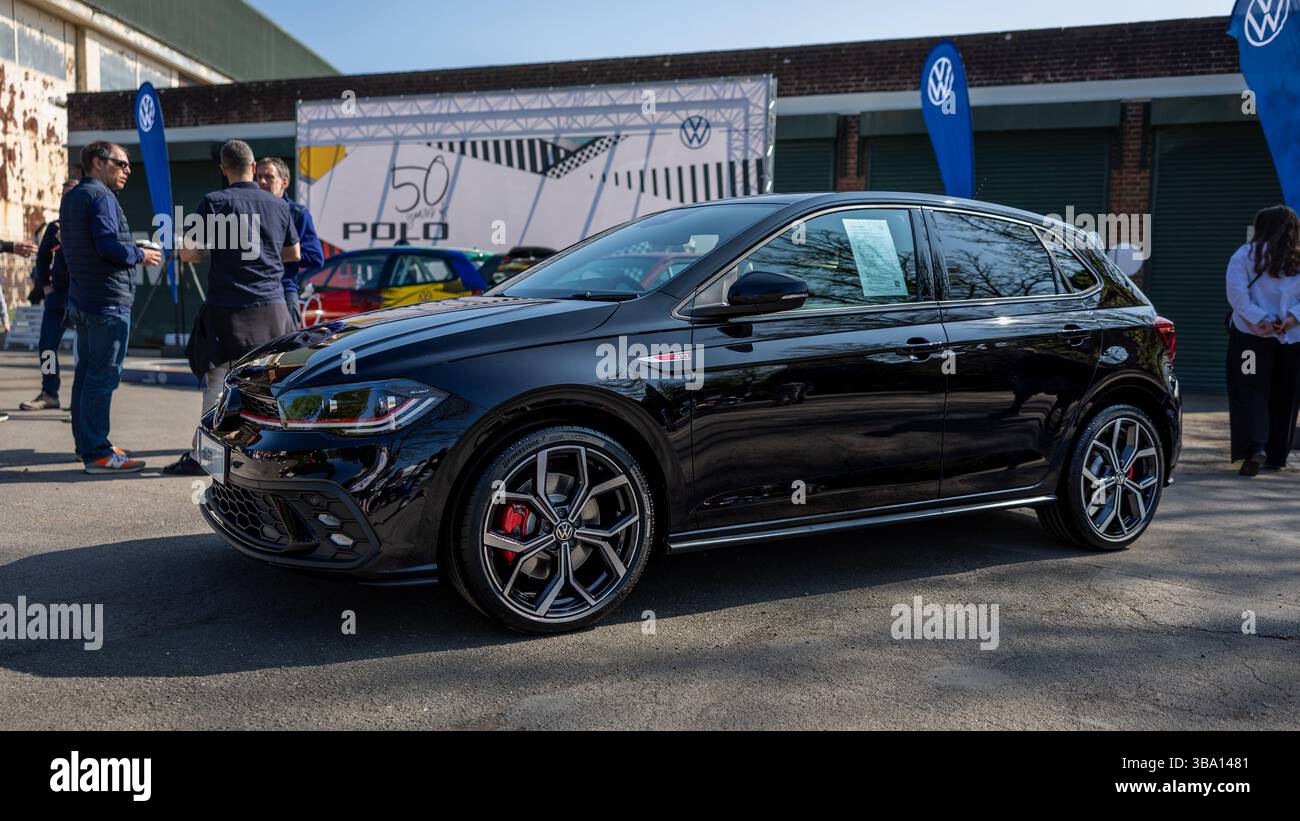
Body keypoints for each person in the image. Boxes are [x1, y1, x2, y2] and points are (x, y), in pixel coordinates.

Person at [164, 140, 300, 474]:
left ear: (223, 169)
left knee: (220, 382)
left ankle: (208, 459)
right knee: (270, 384)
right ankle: (278, 458)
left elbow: (192, 252)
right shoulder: (279, 205)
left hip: (229, 310)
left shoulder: (214, 201)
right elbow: (293, 253)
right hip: (273, 309)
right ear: (253, 168)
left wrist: (206, 252)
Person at [60, 141, 162, 474]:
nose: (128, 171)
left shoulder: (74, 196)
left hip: (85, 300)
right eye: (121, 164)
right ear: (97, 162)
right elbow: (107, 246)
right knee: (101, 379)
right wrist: (139, 254)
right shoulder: (100, 197)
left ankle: (87, 445)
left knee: (86, 376)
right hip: (107, 302)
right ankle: (99, 453)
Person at [1225, 204, 1300, 476]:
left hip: (1249, 340)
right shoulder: (1298, 258)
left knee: (1250, 390)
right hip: (1290, 340)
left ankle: (1255, 448)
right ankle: (1277, 456)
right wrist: (1289, 320)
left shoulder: (1245, 255)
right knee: (1286, 396)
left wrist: (1261, 319)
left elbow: (1236, 295)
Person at [19, 179, 78, 412]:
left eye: (70, 195)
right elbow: (42, 258)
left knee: (83, 353)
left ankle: (81, 402)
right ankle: (50, 392)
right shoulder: (55, 227)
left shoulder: (90, 223)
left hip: (82, 296)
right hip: (57, 296)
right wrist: (45, 285)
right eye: (63, 196)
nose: (66, 201)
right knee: (46, 346)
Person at [254, 156, 323, 328]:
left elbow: (315, 257)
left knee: (287, 351)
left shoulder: (297, 213)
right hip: (252, 292)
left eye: (269, 177)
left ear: (284, 183)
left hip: (283, 292)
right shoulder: (248, 211)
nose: (262, 181)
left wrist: (271, 254)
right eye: (258, 177)